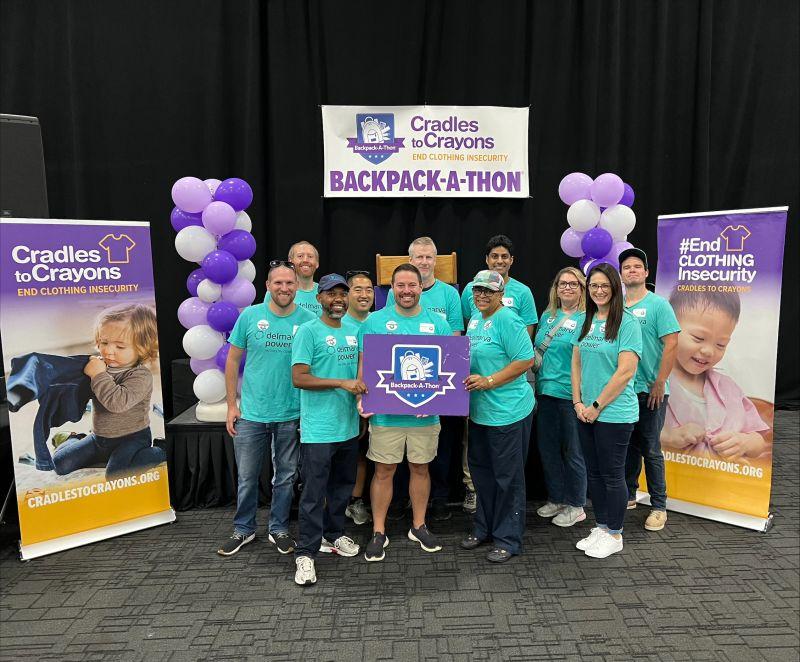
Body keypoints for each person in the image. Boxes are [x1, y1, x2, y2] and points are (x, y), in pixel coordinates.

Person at [216, 261, 315, 557]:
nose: (284, 288)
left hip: (292, 412)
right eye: (278, 283)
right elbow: (232, 361)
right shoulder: (250, 316)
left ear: (297, 286)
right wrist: (232, 404)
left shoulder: (309, 320)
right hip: (252, 413)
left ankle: (279, 528)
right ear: (268, 286)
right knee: (247, 476)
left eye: (289, 283)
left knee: (285, 476)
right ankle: (243, 529)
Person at [358, 263, 451, 562]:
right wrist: (364, 397)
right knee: (384, 470)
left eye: (412, 285)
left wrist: (436, 400)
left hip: (425, 415)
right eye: (401, 285)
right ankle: (379, 530)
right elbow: (364, 365)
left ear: (421, 287)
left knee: (420, 468)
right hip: (386, 416)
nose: (407, 291)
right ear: (391, 288)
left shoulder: (438, 323)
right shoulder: (374, 321)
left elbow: (448, 367)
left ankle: (418, 525)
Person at [291, 274, 366, 586]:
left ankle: (334, 534)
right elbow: (299, 377)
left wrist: (362, 397)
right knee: (313, 493)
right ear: (319, 298)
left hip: (348, 425)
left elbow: (362, 372)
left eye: (342, 294)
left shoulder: (355, 329)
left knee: (341, 487)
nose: (338, 299)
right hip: (319, 429)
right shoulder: (308, 331)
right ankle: (306, 553)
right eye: (331, 294)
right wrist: (340, 382)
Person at [387, 236, 464, 521]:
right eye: (418, 257)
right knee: (403, 444)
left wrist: (440, 383)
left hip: (436, 381)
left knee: (440, 444)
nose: (424, 262)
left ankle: (440, 498)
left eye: (429, 257)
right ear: (410, 260)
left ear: (436, 260)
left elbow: (454, 341)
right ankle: (401, 499)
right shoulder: (396, 291)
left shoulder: (450, 295)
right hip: (401, 380)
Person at [461, 271, 535, 563]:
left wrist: (489, 381)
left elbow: (525, 359)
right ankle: (484, 528)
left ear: (500, 294)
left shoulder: (508, 320)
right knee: (482, 475)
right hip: (480, 412)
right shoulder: (476, 319)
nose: (481, 295)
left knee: (507, 478)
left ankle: (508, 538)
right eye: (478, 290)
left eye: (488, 292)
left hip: (508, 412)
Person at [571, 263, 642, 559]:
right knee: (595, 474)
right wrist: (577, 402)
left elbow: (626, 372)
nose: (599, 291)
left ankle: (615, 533)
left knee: (613, 476)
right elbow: (575, 363)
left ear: (615, 289)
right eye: (594, 286)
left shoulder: (627, 323)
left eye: (605, 286)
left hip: (613, 413)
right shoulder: (585, 320)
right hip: (585, 411)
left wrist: (597, 406)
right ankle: (601, 526)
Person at [52, 304, 165, 479]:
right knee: (60, 464)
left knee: (115, 476)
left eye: (120, 347)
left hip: (132, 438)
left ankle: (159, 450)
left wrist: (97, 374)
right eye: (104, 342)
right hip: (99, 438)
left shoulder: (141, 376)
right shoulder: (98, 366)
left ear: (142, 347)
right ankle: (73, 439)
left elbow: (117, 403)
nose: (108, 351)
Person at [661, 287, 770, 459]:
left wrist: (745, 442)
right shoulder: (649, 379)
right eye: (698, 338)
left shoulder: (728, 389)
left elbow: (759, 441)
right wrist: (667, 436)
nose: (709, 351)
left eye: (721, 345)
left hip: (721, 481)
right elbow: (628, 428)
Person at [619, 248, 681, 532]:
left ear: (645, 273)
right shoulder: (617, 306)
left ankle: (659, 506)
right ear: (621, 274)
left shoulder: (659, 305)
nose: (631, 270)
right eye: (626, 267)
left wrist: (660, 381)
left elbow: (672, 344)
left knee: (651, 449)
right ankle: (629, 494)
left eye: (636, 267)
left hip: (651, 390)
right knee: (628, 445)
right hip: (624, 391)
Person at [533, 267, 588, 528]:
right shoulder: (547, 316)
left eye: (573, 284)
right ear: (555, 288)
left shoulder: (588, 318)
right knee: (548, 449)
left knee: (573, 452)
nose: (567, 288)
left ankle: (577, 504)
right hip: (545, 392)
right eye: (562, 283)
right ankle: (557, 498)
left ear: (582, 288)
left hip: (571, 395)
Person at [342, 269, 375, 527]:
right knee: (339, 455)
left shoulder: (378, 322)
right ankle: (333, 504)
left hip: (370, 402)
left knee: (362, 453)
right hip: (338, 401)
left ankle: (355, 501)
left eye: (369, 290)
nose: (364, 295)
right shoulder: (337, 322)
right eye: (358, 290)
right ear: (348, 294)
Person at [461, 235, 538, 337]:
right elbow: (467, 323)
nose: (500, 261)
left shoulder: (523, 291)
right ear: (487, 259)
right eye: (494, 256)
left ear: (511, 260)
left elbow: (527, 334)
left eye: (504, 256)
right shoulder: (470, 288)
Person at [288, 241, 322, 316]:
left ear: (317, 263)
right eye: (300, 256)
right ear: (290, 262)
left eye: (310, 256)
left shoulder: (325, 293)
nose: (305, 260)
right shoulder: (279, 292)